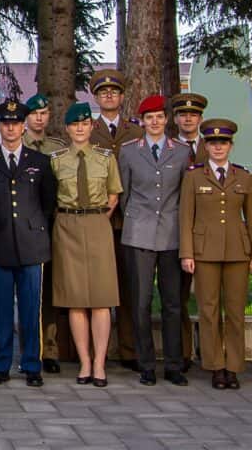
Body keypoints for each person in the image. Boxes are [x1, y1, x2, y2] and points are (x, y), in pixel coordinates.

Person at [0, 100, 57, 388]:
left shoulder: (40, 162)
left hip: (31, 244)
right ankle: (0, 364)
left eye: (15, 123)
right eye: (5, 123)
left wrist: (32, 229)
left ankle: (32, 364)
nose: (10, 128)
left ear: (23, 127)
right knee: (0, 309)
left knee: (31, 308)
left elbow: (47, 204)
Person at [179, 119, 252, 390]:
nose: (218, 147)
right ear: (205, 145)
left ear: (231, 145)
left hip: (238, 251)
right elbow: (185, 218)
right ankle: (215, 366)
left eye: (223, 143)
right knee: (209, 310)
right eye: (213, 143)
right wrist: (187, 253)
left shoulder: (244, 176)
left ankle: (234, 366)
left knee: (236, 311)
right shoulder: (193, 176)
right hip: (204, 252)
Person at [118, 96, 189, 386]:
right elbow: (124, 193)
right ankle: (146, 364)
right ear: (142, 121)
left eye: (159, 116)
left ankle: (173, 364)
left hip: (172, 234)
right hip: (139, 233)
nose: (155, 122)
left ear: (166, 119)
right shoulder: (129, 152)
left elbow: (186, 196)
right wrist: (136, 219)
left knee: (172, 303)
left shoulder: (182, 152)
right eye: (149, 118)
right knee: (141, 302)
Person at [49, 102, 120, 387]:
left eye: (84, 123)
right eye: (74, 124)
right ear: (67, 128)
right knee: (76, 299)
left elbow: (113, 195)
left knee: (101, 299)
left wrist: (97, 218)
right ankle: (85, 362)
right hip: (67, 227)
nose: (79, 128)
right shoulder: (57, 160)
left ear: (92, 127)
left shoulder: (105, 158)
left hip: (98, 224)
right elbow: (50, 197)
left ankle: (100, 363)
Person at [86, 69, 145, 371]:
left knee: (129, 286)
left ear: (122, 98)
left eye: (114, 92)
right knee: (95, 288)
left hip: (131, 219)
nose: (108, 96)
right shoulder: (87, 131)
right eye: (103, 92)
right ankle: (96, 352)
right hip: (98, 220)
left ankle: (129, 350)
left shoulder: (136, 132)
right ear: (96, 98)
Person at [23, 93, 69, 373]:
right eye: (34, 114)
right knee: (29, 288)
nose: (39, 118)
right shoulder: (18, 145)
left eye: (44, 113)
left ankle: (50, 349)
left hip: (53, 223)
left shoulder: (58, 148)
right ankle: (30, 346)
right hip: (27, 224)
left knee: (50, 288)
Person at [170, 91, 209, 371]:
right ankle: (183, 353)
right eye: (183, 114)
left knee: (210, 297)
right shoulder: (169, 148)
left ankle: (211, 354)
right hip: (175, 231)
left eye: (193, 114)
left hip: (209, 232)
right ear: (175, 118)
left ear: (200, 118)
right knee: (178, 296)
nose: (188, 118)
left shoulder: (215, 146)